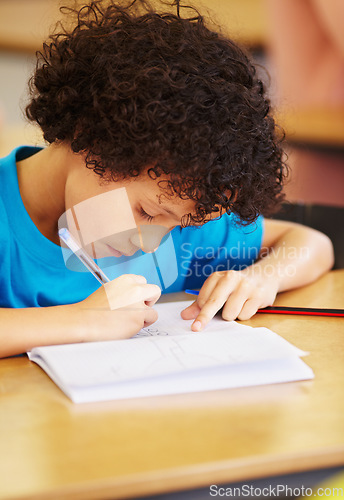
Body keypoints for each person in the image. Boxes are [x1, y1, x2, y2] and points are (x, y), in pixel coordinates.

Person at [0, 0, 334, 358]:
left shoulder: (177, 210)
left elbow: (311, 243)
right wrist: (81, 322)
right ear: (95, 140)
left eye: (175, 225)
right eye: (145, 212)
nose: (150, 245)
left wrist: (263, 278)